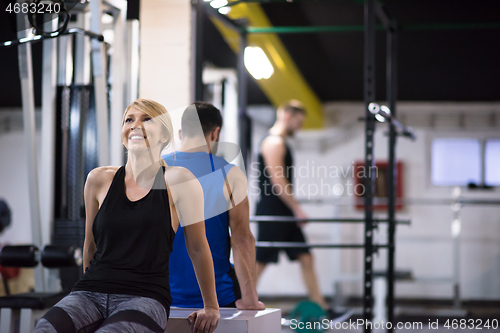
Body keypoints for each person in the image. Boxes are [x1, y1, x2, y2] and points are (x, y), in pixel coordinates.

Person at [34, 99, 220, 333]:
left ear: (164, 135)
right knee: (44, 329)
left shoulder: (180, 180)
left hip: (145, 296)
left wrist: (211, 306)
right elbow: (90, 245)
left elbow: (198, 248)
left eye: (147, 119)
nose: (135, 125)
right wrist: (86, 291)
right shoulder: (98, 179)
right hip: (90, 292)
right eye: (129, 119)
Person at [162, 102, 264, 310]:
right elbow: (242, 239)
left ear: (181, 133)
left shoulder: (156, 170)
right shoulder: (231, 174)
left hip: (160, 295)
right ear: (215, 133)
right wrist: (250, 299)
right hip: (217, 297)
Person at [255, 100, 330, 312]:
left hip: (283, 211)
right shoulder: (274, 143)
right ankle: (241, 302)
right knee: (261, 260)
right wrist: (297, 208)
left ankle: (320, 307)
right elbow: (277, 179)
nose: (299, 127)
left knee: (306, 257)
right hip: (273, 211)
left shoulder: (279, 142)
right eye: (298, 122)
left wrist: (292, 209)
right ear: (287, 116)